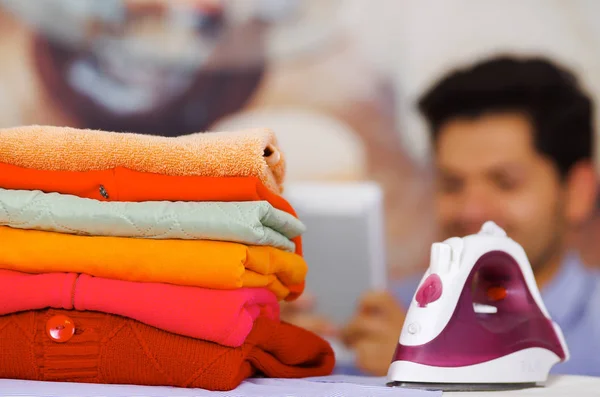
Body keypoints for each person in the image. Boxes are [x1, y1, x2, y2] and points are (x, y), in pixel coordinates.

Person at [282, 54, 600, 377]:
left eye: (505, 183)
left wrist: (429, 365)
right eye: (452, 183)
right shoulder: (381, 313)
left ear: (577, 192)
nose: (471, 210)